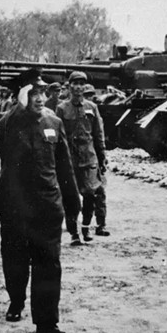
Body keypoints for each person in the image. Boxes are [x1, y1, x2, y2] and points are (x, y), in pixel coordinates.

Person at [0, 69, 80, 333]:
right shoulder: (11, 121)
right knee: (15, 259)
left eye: (42, 93)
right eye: (33, 94)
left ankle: (46, 322)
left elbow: (64, 166)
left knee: (49, 262)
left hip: (47, 204)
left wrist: (72, 203)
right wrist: (18, 108)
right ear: (22, 97)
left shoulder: (54, 122)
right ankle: (16, 301)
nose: (40, 98)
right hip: (15, 204)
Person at [56, 71, 109, 245]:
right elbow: (58, 135)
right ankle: (74, 233)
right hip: (70, 159)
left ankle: (86, 227)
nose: (78, 87)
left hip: (89, 157)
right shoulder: (62, 108)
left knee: (91, 194)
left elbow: (98, 133)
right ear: (69, 86)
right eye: (75, 84)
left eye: (81, 84)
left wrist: (102, 156)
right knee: (70, 198)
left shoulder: (92, 107)